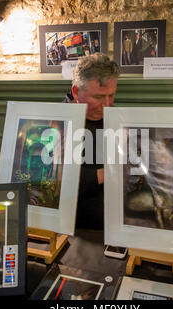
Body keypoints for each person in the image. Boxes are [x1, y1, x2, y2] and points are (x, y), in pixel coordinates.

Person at [63, 53, 119, 230]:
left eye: (111, 96)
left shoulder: (116, 118)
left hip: (114, 223)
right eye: (98, 97)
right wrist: (101, 175)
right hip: (75, 227)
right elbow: (53, 185)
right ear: (76, 92)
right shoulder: (56, 123)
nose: (107, 105)